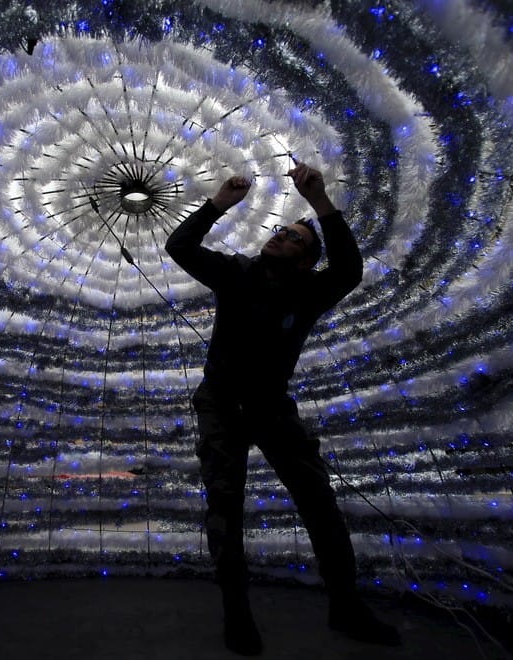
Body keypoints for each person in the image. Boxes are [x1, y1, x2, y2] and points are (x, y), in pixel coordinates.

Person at [165, 160, 400, 655]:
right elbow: (179, 247)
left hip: (271, 405)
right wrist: (218, 204)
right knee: (225, 505)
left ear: (306, 261)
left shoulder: (310, 292)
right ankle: (237, 613)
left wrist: (319, 201)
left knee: (318, 500)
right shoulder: (236, 273)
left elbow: (349, 270)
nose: (280, 236)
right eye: (281, 230)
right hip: (221, 403)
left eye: (294, 237)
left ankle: (346, 606)